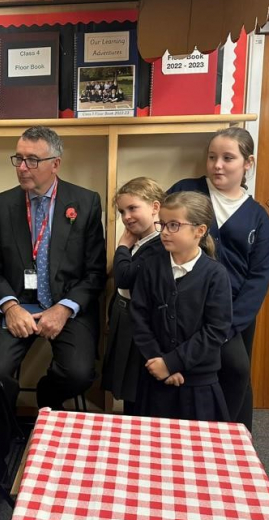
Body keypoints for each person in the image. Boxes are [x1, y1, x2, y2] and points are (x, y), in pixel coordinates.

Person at [0, 126, 107, 520]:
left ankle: (47, 399)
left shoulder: (85, 202)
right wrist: (11, 306)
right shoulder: (2, 204)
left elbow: (95, 273)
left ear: (55, 164)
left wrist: (64, 308)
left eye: (32, 160)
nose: (23, 168)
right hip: (17, 307)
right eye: (19, 158)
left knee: (80, 372)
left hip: (63, 306)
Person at [167, 127, 269, 430]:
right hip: (186, 306)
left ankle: (233, 438)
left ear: (247, 163)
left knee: (237, 371)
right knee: (190, 371)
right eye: (212, 157)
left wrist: (228, 325)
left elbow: (260, 275)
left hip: (234, 315)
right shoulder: (186, 191)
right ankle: (186, 434)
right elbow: (164, 236)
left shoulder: (258, 217)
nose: (217, 165)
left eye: (228, 158)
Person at [131, 191, 233, 421]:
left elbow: (216, 329)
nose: (165, 232)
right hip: (154, 376)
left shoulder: (215, 275)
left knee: (198, 450)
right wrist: (159, 362)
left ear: (200, 230)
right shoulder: (150, 268)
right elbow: (139, 318)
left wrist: (173, 363)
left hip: (198, 383)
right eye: (163, 224)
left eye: (174, 225)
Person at [101, 177, 165, 415]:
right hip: (125, 319)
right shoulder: (141, 242)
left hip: (141, 327)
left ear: (155, 207)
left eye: (133, 208)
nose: (126, 216)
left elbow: (124, 278)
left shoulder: (159, 244)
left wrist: (122, 246)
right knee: (129, 390)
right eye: (122, 211)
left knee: (140, 393)